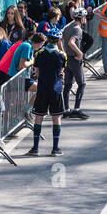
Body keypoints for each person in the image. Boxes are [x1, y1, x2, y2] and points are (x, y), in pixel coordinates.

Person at [26, 28, 66, 157]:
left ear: (48, 39)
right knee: (56, 118)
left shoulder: (39, 53)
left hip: (42, 88)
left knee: (39, 117)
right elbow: (61, 71)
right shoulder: (61, 55)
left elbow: (36, 72)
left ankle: (35, 148)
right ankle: (55, 148)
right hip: (56, 89)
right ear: (58, 40)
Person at [62, 6, 89, 120]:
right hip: (74, 59)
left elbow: (61, 40)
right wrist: (80, 53)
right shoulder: (77, 29)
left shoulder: (68, 26)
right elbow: (71, 43)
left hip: (67, 58)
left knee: (67, 85)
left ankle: (66, 109)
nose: (85, 19)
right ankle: (76, 109)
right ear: (82, 18)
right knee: (82, 84)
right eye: (85, 17)